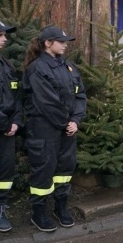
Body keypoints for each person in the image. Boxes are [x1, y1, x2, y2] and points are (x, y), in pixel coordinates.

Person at [22, 26, 86, 232]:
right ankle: (38, 213)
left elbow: (80, 95)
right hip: (44, 129)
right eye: (61, 41)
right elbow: (47, 102)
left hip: (67, 128)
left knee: (64, 170)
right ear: (47, 43)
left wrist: (75, 120)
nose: (65, 44)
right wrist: (66, 122)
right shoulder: (37, 68)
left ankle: (61, 208)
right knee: (44, 169)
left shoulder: (69, 67)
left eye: (66, 41)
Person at [0, 21, 21, 233]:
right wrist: (5, 123)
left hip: (7, 130)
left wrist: (16, 121)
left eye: (4, 35)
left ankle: (0, 208)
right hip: (2, 127)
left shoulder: (6, 64)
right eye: (0, 35)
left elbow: (16, 97)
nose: (4, 39)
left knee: (5, 172)